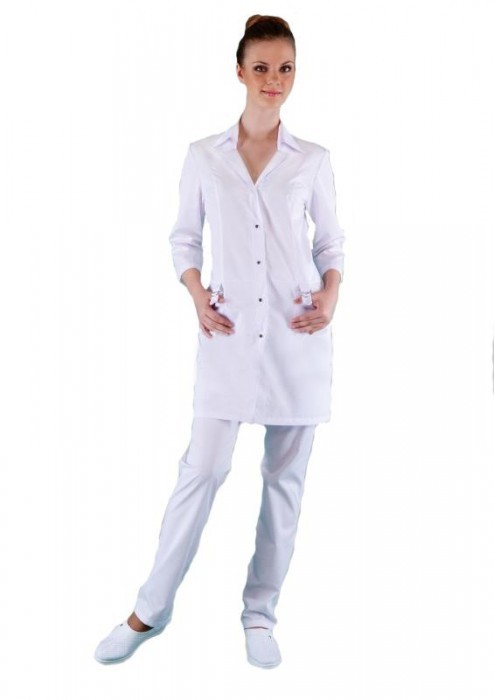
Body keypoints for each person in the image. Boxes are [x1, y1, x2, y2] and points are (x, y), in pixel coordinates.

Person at [94, 13, 345, 669]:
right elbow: (184, 237)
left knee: (284, 485)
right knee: (201, 470)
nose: (273, 80)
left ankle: (260, 615)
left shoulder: (313, 160)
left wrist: (330, 294)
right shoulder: (204, 157)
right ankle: (149, 610)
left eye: (285, 68)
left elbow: (330, 244)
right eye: (261, 67)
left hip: (297, 337)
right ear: (239, 71)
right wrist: (196, 291)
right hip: (228, 337)